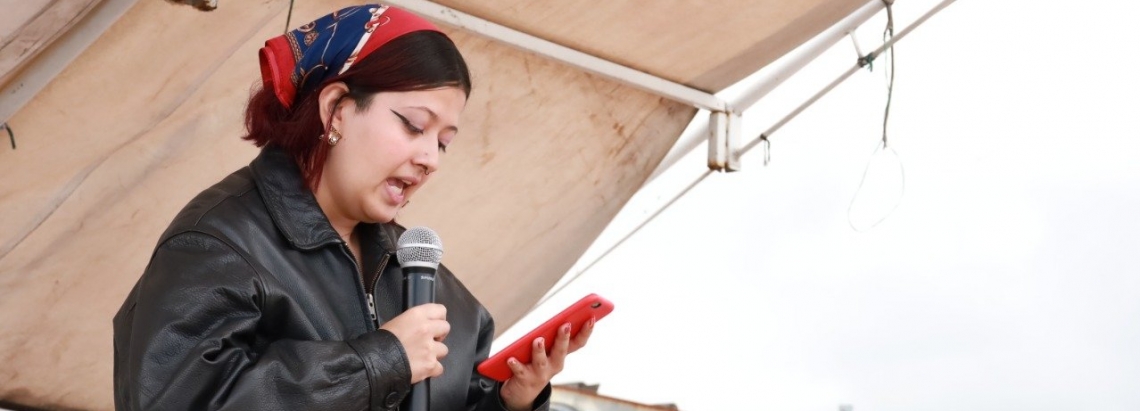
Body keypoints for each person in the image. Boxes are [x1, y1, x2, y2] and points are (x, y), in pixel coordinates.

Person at [112, 4, 592, 410]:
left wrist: (511, 400)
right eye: (413, 125)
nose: (429, 159)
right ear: (337, 108)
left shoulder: (423, 272)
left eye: (443, 143)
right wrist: (378, 361)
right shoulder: (215, 245)